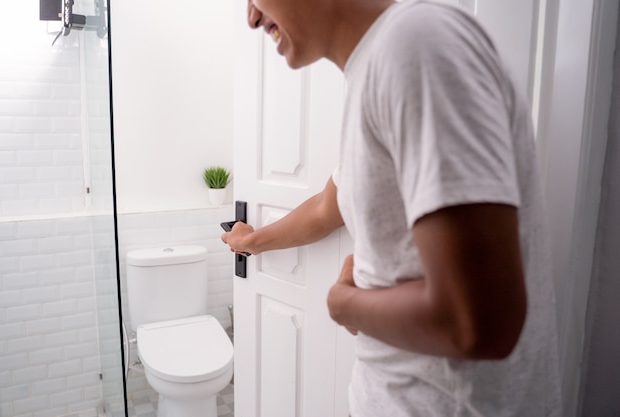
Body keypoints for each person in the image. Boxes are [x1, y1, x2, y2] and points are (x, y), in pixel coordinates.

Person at [222, 0, 562, 415]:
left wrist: (344, 305)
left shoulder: (414, 46)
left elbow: (476, 321)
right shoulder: (377, 70)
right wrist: (251, 241)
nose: (251, 17)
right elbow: (326, 208)